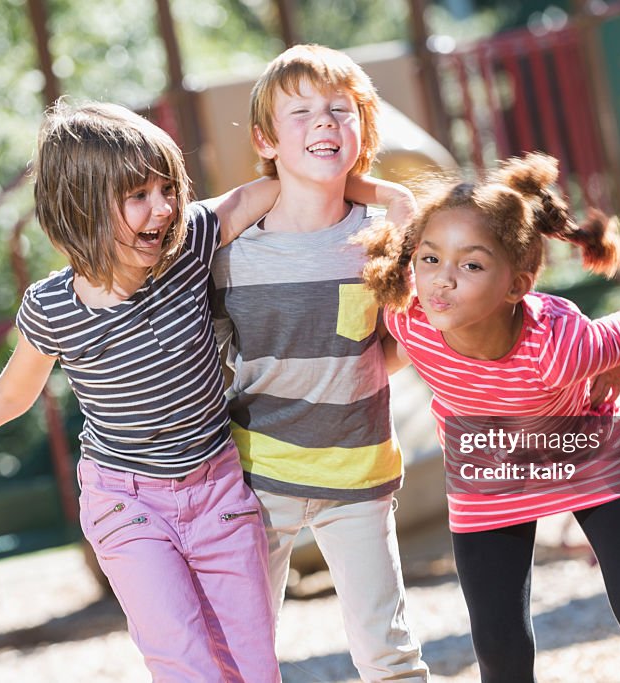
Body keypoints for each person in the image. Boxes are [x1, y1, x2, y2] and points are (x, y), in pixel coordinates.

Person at [0, 100, 411, 683]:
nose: (163, 208)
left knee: (251, 668)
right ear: (80, 208)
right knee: (185, 662)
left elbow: (268, 192)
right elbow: (8, 393)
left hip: (218, 492)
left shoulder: (189, 247)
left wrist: (385, 196)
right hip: (127, 501)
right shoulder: (53, 307)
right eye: (138, 196)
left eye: (167, 189)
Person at [359, 152, 620, 683]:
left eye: (470, 265)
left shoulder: (562, 347)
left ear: (518, 285)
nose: (441, 281)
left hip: (587, 450)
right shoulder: (410, 320)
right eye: (429, 259)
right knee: (498, 642)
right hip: (488, 467)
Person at [210, 45, 429, 681]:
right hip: (257, 478)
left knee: (389, 653)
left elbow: (393, 347)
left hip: (358, 474)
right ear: (265, 138)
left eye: (341, 110)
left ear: (365, 129)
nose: (325, 122)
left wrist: (394, 198)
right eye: (300, 112)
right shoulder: (228, 251)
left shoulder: (381, 236)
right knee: (239, 652)